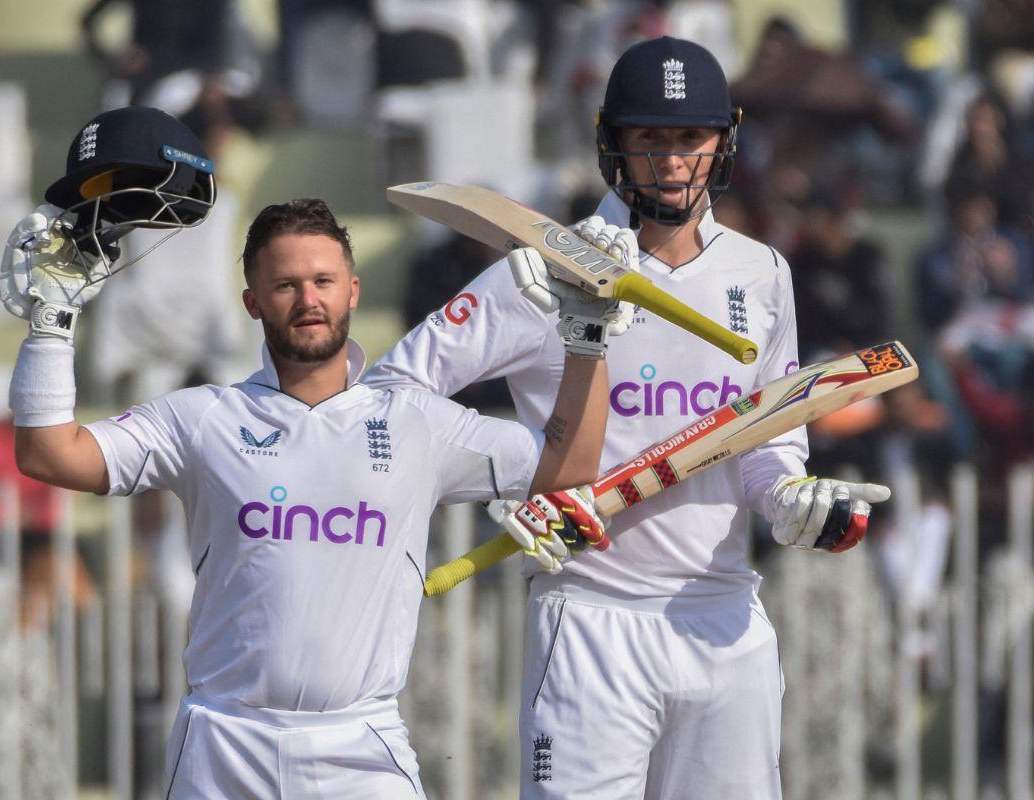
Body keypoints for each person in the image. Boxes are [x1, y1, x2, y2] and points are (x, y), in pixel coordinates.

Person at [0, 110, 623, 794]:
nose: (308, 300)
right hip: (223, 741)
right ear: (252, 302)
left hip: (362, 742)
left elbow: (569, 468)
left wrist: (587, 340)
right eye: (286, 285)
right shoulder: (205, 418)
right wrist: (51, 325)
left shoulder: (415, 421)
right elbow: (50, 455)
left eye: (324, 282)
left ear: (353, 292)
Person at [366, 36, 893, 798]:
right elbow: (388, 398)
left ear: (725, 141)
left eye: (691, 138)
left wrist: (789, 502)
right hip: (590, 616)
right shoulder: (542, 271)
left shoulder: (763, 272)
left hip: (725, 618)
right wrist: (515, 470)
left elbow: (765, 439)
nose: (673, 160)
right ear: (613, 144)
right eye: (651, 138)